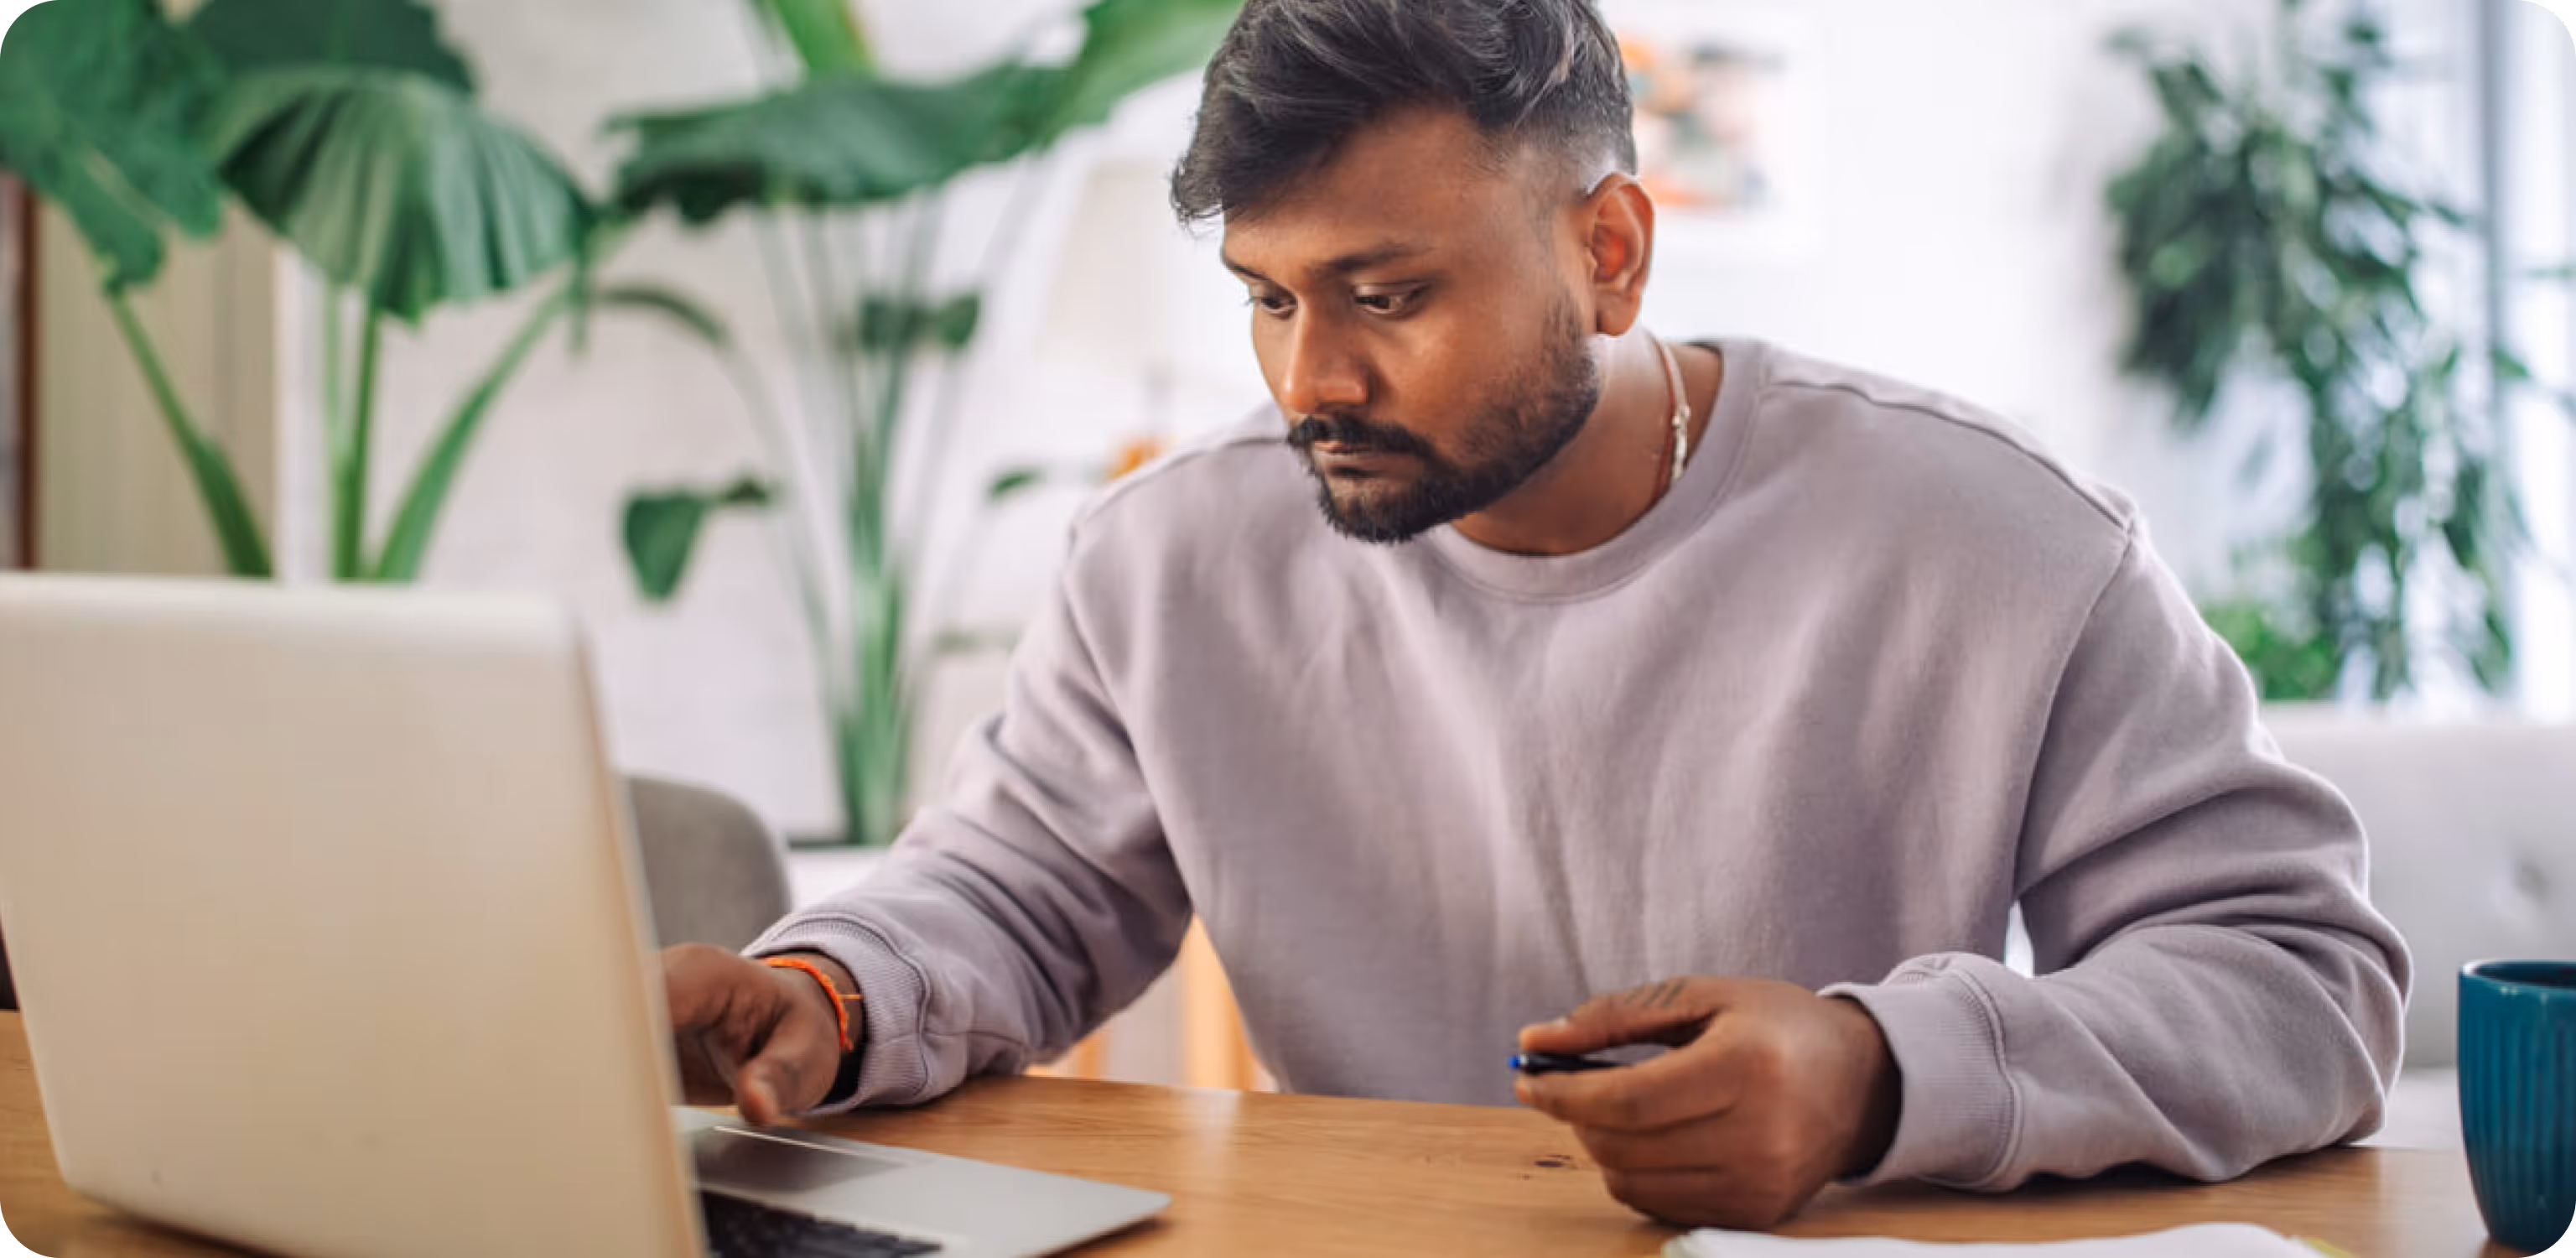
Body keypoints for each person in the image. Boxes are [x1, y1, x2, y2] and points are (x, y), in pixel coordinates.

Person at [657, 0, 2408, 1230]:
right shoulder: (1165, 561)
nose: (1309, 377)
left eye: (1388, 294)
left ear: (1613, 252)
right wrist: (834, 985)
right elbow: (1017, 895)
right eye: (1265, 300)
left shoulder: (1996, 539)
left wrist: (1881, 1072)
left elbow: (2299, 986)